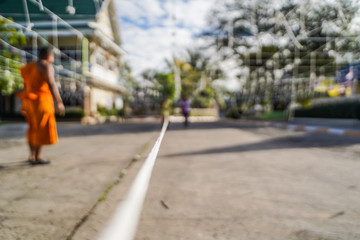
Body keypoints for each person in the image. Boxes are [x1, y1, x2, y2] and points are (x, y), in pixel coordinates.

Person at [17, 47, 65, 165]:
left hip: (29, 101)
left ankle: (32, 155)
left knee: (32, 128)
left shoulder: (29, 67)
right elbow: (52, 84)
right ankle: (38, 157)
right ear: (49, 56)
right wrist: (59, 102)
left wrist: (23, 104)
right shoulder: (46, 66)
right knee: (41, 128)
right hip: (40, 101)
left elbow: (25, 86)